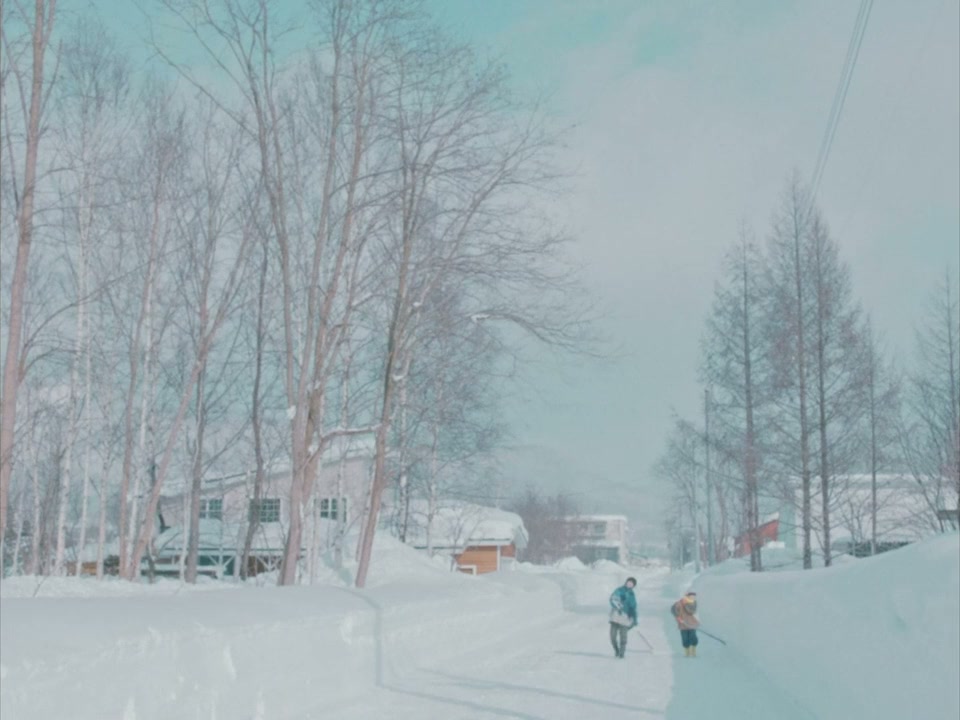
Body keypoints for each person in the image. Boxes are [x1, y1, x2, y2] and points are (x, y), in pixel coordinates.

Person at [608, 577, 638, 658]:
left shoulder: (632, 595)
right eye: (628, 582)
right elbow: (612, 599)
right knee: (612, 637)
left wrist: (634, 619)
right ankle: (616, 650)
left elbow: (633, 608)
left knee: (623, 637)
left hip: (625, 618)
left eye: (631, 584)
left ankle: (622, 653)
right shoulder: (619, 590)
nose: (629, 584)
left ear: (633, 586)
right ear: (626, 582)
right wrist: (618, 604)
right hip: (615, 617)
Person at [671, 590, 700, 657]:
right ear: (687, 596)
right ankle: (687, 652)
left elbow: (691, 611)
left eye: (693, 596)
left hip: (692, 624)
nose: (692, 597)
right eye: (691, 596)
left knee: (693, 637)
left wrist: (685, 604)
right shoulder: (680, 602)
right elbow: (673, 609)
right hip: (683, 625)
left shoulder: (694, 603)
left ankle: (693, 651)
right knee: (685, 639)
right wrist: (678, 617)